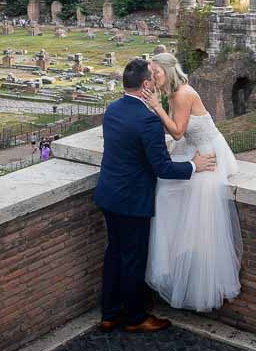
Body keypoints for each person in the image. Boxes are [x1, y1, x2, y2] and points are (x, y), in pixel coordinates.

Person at [94, 58, 216, 333]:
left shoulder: (113, 109)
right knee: (134, 258)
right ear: (146, 84)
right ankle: (135, 318)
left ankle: (110, 313)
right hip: (133, 200)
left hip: (108, 194)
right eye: (153, 78)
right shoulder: (147, 119)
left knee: (114, 253)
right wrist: (195, 165)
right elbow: (162, 167)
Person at [140, 52, 241, 313]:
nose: (153, 78)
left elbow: (177, 130)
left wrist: (156, 106)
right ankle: (172, 260)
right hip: (189, 148)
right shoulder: (172, 93)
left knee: (191, 201)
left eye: (156, 73)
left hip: (207, 152)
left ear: (169, 71)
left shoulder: (183, 94)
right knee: (163, 191)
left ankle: (188, 266)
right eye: (151, 73)